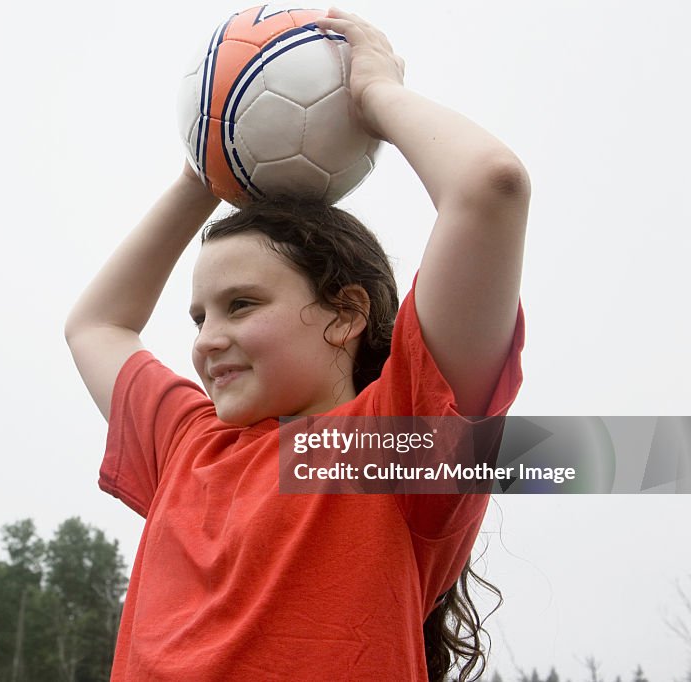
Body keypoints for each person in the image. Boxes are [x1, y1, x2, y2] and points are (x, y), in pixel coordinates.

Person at [65, 8, 529, 681]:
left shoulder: (397, 449)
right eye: (198, 318)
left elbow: (490, 186)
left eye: (241, 304)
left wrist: (375, 93)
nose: (207, 342)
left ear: (345, 315)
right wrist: (209, 161)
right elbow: (96, 325)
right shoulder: (188, 446)